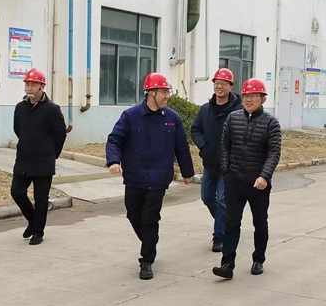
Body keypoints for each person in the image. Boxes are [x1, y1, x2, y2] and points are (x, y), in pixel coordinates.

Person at [106, 72, 195, 280]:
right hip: (135, 176)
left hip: (159, 178)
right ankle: (150, 241)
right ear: (151, 93)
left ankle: (146, 260)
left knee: (150, 217)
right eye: (164, 92)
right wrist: (113, 161)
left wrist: (187, 172)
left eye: (168, 92)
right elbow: (115, 140)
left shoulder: (172, 118)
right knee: (133, 215)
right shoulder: (131, 116)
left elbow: (181, 147)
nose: (167, 96)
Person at [212, 78, 281, 279]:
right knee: (232, 222)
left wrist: (264, 176)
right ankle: (227, 264)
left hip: (258, 183)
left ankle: (258, 259)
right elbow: (225, 146)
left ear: (263, 98)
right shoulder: (233, 118)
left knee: (260, 222)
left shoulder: (271, 123)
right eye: (246, 96)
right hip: (234, 180)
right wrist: (226, 171)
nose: (249, 100)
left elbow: (274, 153)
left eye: (253, 96)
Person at [11, 68, 67, 245]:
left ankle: (38, 232)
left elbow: (60, 134)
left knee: (41, 198)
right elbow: (18, 129)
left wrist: (52, 154)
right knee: (16, 192)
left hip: (44, 161)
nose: (29, 88)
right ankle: (33, 219)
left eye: (33, 85)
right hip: (24, 158)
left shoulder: (52, 109)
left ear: (42, 86)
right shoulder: (20, 107)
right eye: (27, 84)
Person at [191, 68, 243, 252]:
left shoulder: (239, 111)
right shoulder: (206, 109)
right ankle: (225, 223)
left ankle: (218, 236)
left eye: (223, 83)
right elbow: (195, 130)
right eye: (217, 83)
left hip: (228, 166)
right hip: (210, 163)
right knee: (206, 197)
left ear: (231, 86)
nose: (219, 86)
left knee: (222, 201)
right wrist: (203, 147)